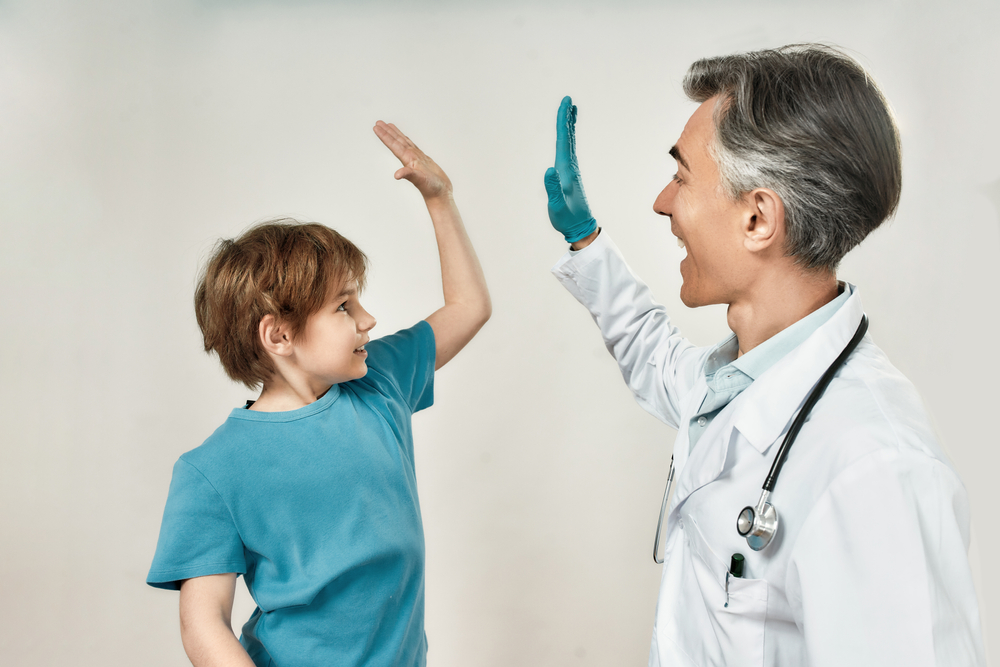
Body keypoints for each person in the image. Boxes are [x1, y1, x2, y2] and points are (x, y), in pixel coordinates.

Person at [544, 45, 985, 666]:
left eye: (681, 176)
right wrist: (584, 239)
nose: (662, 202)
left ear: (757, 219)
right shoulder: (745, 378)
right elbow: (657, 359)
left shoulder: (875, 467)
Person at [146, 121, 490, 666]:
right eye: (343, 307)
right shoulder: (212, 471)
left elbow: (468, 308)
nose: (368, 320)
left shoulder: (379, 381)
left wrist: (440, 200)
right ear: (279, 335)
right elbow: (203, 623)